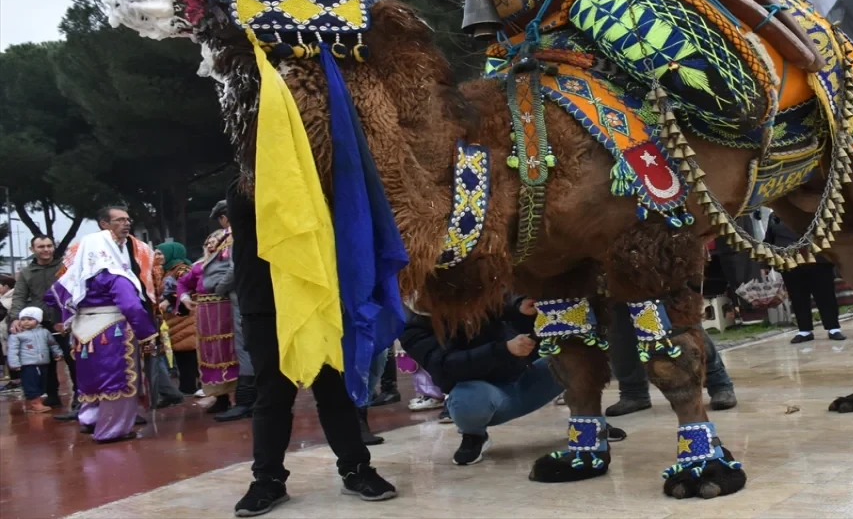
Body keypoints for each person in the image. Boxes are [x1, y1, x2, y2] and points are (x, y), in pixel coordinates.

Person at [226, 181, 396, 516]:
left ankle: (355, 469)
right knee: (272, 394)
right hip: (265, 305)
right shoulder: (243, 187)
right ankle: (268, 480)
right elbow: (280, 206)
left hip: (316, 297)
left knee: (333, 389)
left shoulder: (317, 176)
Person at [399, 295, 564, 465]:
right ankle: (474, 435)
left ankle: (589, 420)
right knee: (467, 399)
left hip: (525, 376)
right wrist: (504, 349)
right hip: (483, 395)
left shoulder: (475, 295)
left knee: (577, 361)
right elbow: (447, 366)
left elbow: (499, 303)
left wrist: (518, 307)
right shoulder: (412, 327)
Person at [45, 209, 160, 444]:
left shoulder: (77, 276)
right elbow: (132, 307)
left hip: (83, 334)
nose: (126, 224)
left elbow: (51, 296)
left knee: (92, 381)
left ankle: (90, 419)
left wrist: (72, 314)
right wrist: (148, 334)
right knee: (117, 383)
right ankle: (111, 430)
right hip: (112, 331)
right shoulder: (115, 275)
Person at [604, 301, 738, 417]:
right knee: (618, 330)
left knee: (684, 321)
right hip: (614, 279)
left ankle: (719, 384)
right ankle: (633, 393)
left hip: (662, 276)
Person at [9, 235, 74, 409]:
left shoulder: (65, 267)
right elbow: (19, 296)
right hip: (41, 323)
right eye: (41, 247)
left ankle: (80, 396)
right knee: (46, 362)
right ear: (32, 250)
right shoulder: (26, 272)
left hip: (66, 320)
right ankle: (52, 395)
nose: (46, 250)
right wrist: (15, 318)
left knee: (71, 357)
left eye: (49, 246)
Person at [178, 230, 240, 414]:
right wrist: (184, 298)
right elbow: (182, 283)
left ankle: (238, 395)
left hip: (226, 310)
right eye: (208, 243)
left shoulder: (229, 263)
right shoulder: (198, 267)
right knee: (210, 353)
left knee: (230, 351)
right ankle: (219, 397)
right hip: (204, 314)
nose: (211, 246)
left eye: (215, 243)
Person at [209, 200, 257, 423]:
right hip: (260, 293)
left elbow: (233, 270)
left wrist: (219, 288)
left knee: (245, 346)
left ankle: (246, 401)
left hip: (243, 296)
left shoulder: (237, 235)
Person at [765, 215, 846, 343]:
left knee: (825, 295)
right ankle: (804, 330)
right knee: (797, 297)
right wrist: (765, 264)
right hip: (790, 262)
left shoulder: (811, 209)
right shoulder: (775, 216)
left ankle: (833, 328)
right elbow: (769, 240)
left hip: (817, 260)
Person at [157, 242, 200, 393]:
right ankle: (187, 386)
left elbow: (189, 286)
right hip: (175, 317)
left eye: (160, 253)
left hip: (185, 315)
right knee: (181, 352)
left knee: (188, 350)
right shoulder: (167, 270)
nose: (157, 257)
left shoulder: (182, 269)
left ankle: (190, 386)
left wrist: (169, 299)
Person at [7, 306, 63, 413]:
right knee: (31, 383)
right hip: (28, 364)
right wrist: (14, 363)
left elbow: (52, 344)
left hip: (43, 362)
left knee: (41, 383)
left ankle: (35, 403)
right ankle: (35, 404)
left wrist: (58, 353)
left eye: (30, 319)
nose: (26, 322)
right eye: (23, 319)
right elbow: (12, 349)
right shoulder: (18, 334)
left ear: (38, 320)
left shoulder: (44, 332)